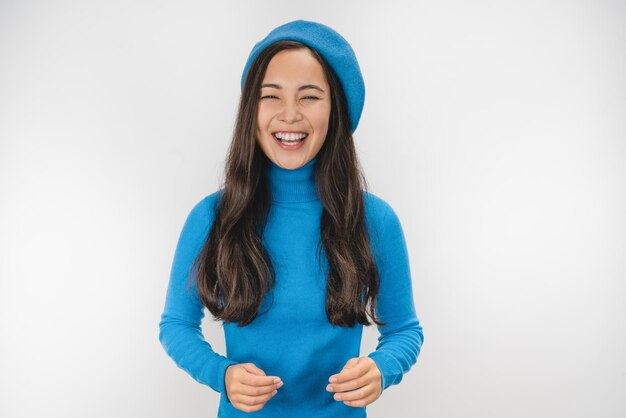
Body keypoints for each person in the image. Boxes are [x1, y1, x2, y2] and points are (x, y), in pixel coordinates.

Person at [158, 19, 424, 417]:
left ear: (336, 109)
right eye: (271, 96)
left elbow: (404, 330)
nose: (289, 115)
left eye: (310, 97)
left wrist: (382, 369)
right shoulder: (213, 217)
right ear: (252, 109)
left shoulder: (375, 220)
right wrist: (222, 374)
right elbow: (176, 325)